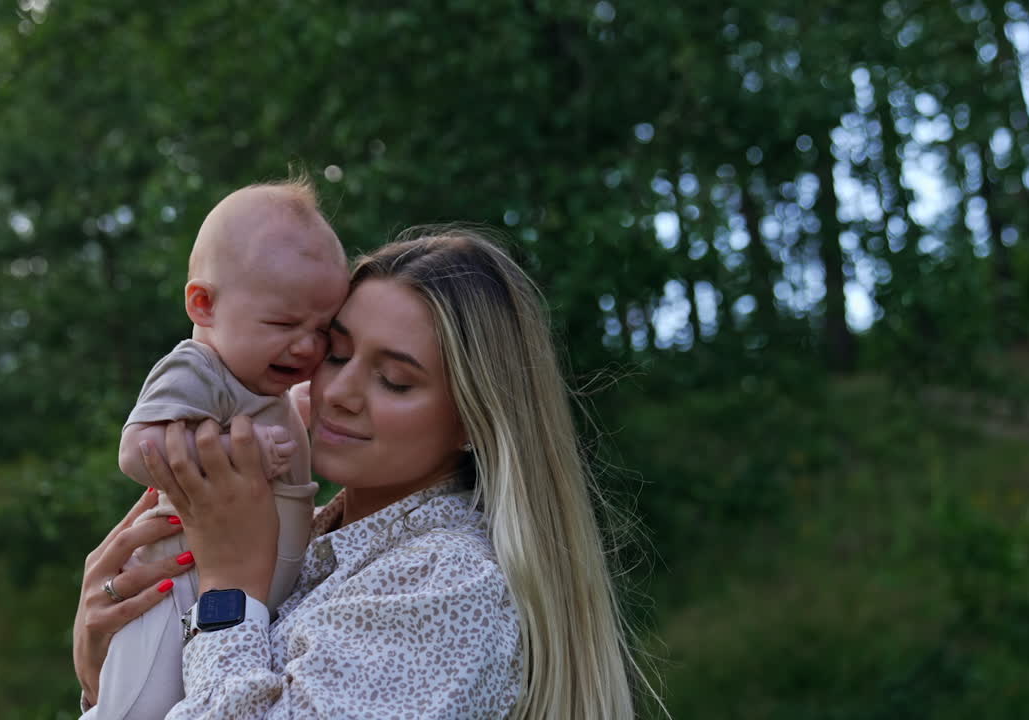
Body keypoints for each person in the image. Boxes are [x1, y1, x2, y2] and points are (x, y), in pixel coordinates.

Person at [75, 227, 664, 718]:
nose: (340, 392)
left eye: (395, 380)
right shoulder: (308, 543)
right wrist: (110, 672)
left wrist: (229, 592)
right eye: (335, 352)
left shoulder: (451, 585)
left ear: (474, 420)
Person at [91, 179, 349, 720]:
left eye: (324, 330)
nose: (306, 346)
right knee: (142, 703)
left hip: (246, 588)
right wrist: (242, 447)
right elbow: (136, 450)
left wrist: (301, 412)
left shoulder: (264, 384)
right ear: (203, 304)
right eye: (283, 324)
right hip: (178, 581)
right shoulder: (196, 369)